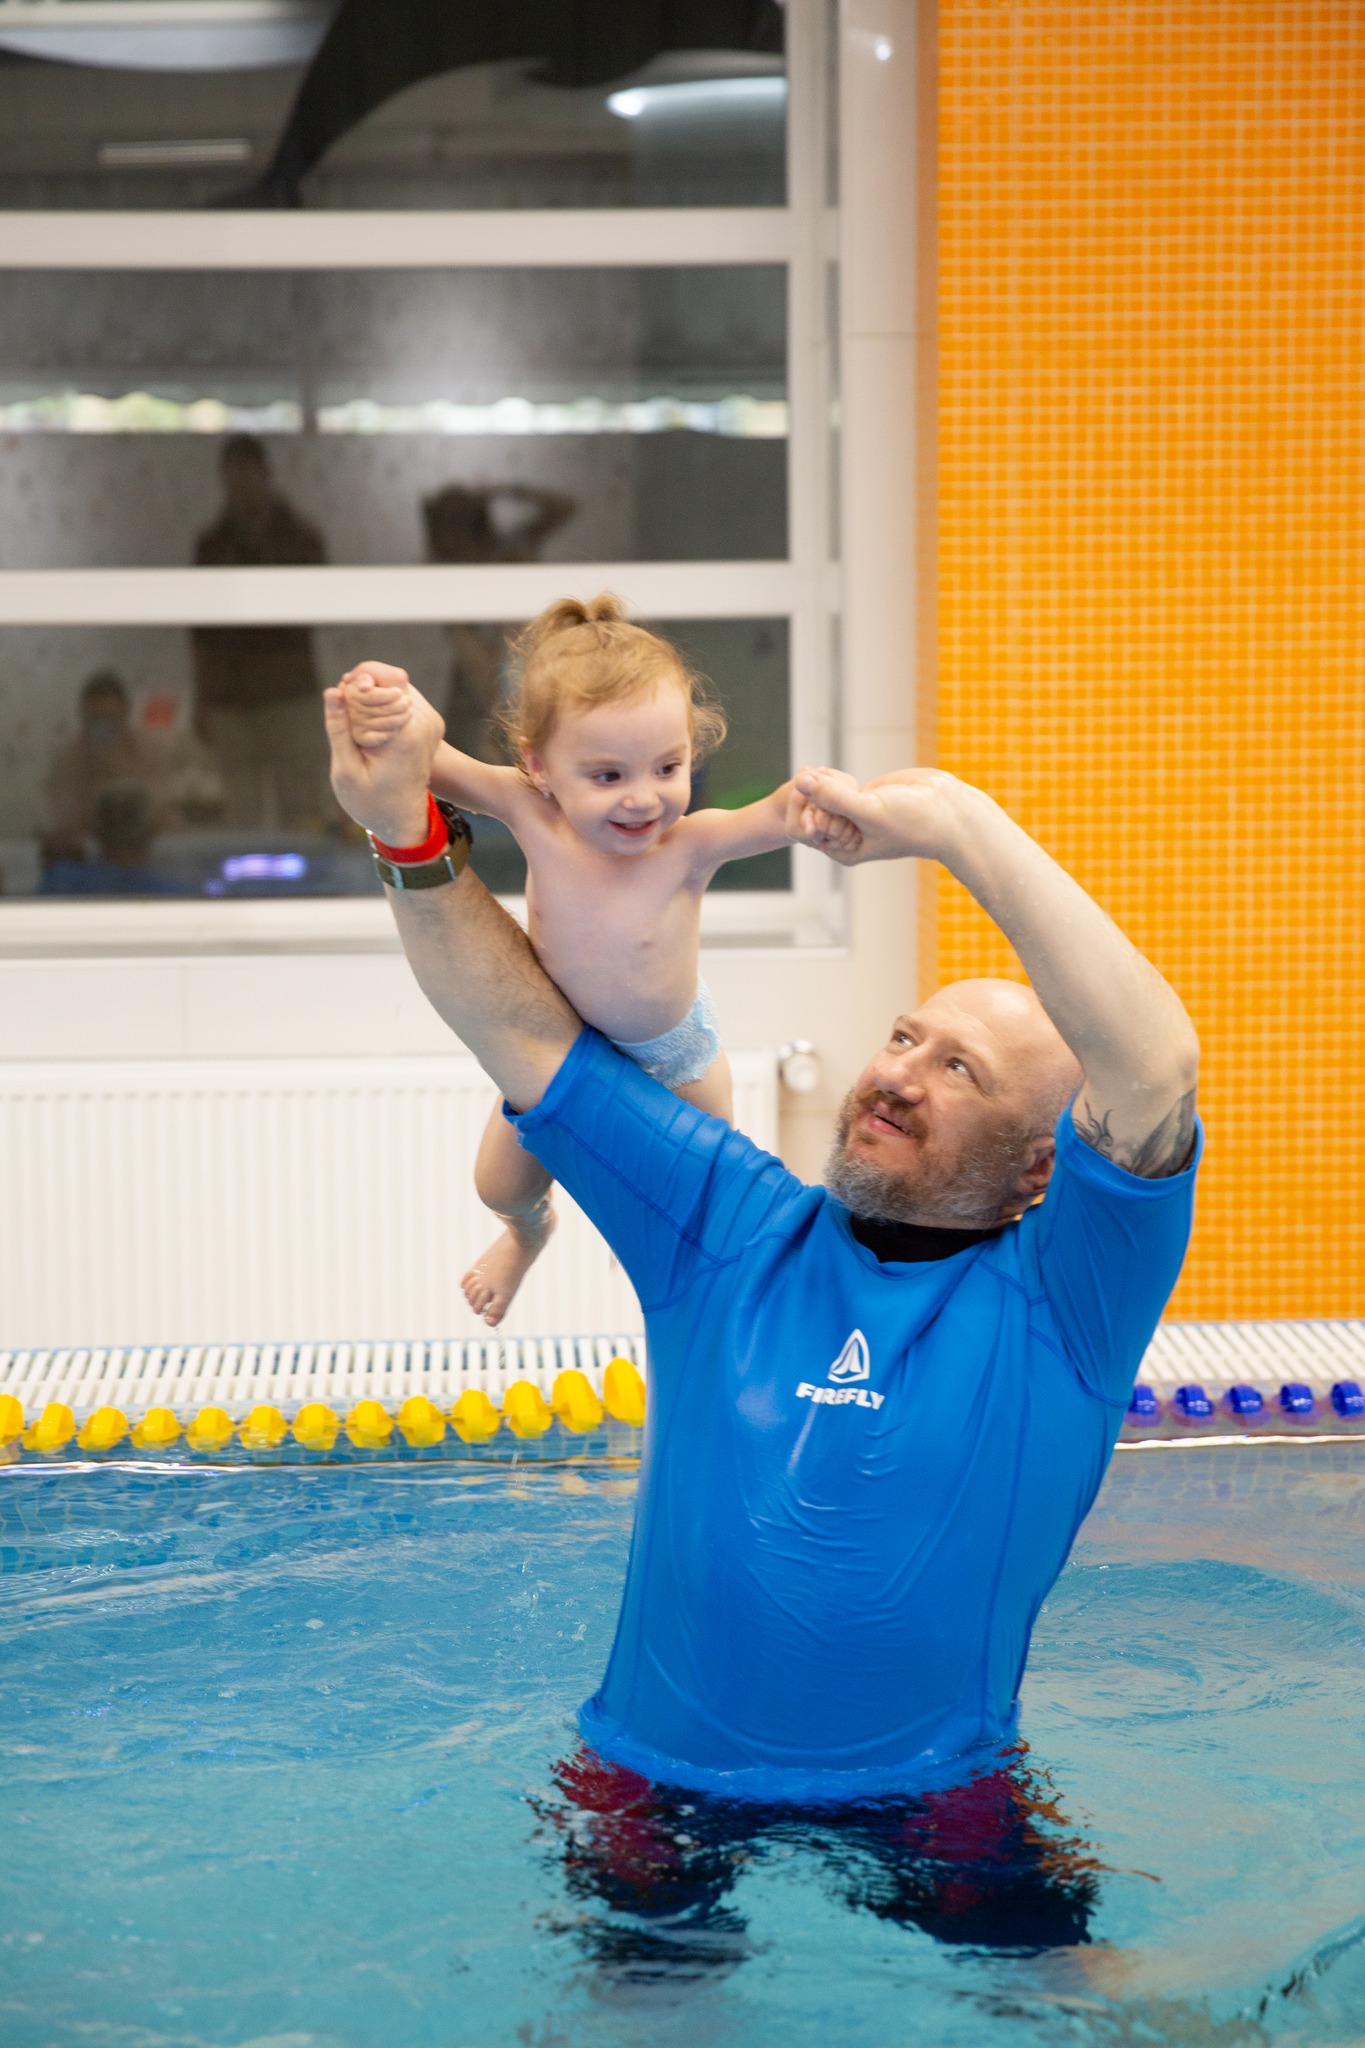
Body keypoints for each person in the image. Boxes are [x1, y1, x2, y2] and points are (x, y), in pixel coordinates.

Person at [323, 674, 1201, 1802]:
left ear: (1041, 1167)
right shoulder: (725, 1227)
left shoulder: (1070, 1305)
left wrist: (953, 826)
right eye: (904, 1037)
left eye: (960, 1070)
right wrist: (404, 831)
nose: (897, 1074)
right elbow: (519, 1029)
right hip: (654, 1782)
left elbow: (1153, 1068)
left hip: (937, 1801)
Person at [339, 595, 808, 1326]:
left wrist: (820, 805)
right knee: (498, 1184)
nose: (643, 799)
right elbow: (431, 760)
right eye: (608, 776)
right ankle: (528, 1234)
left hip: (674, 1062)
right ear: (539, 766)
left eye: (667, 766)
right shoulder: (531, 812)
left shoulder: (690, 845)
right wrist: (390, 708)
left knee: (699, 1217)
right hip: (557, 1045)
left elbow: (776, 814)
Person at [190, 435, 330, 829]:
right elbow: (200, 631)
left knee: (302, 802)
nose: (240, 486)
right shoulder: (213, 545)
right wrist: (202, 697)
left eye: (247, 474)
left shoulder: (299, 538)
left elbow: (322, 604)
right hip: (230, 694)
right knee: (240, 808)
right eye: (231, 477)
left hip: (289, 688)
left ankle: (307, 870)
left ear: (265, 476)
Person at [423, 483, 577, 762]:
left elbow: (564, 507)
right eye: (445, 524)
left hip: (521, 654)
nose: (451, 535)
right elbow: (474, 659)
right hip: (482, 669)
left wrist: (507, 491)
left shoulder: (509, 549)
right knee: (471, 738)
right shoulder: (446, 571)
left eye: (457, 522)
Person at [44, 668, 222, 849]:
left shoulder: (148, 747)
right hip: (97, 848)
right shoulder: (68, 759)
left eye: (110, 719)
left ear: (124, 715)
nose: (103, 729)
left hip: (152, 845)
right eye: (96, 720)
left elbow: (159, 808)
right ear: (84, 715)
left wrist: (121, 770)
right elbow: (68, 820)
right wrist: (95, 773)